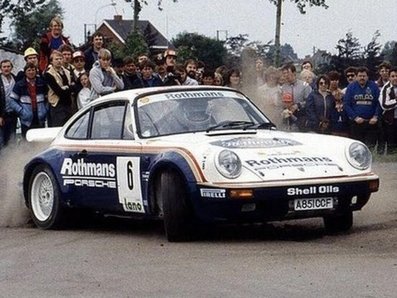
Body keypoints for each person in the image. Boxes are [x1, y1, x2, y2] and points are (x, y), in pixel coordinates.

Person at [344, 66, 381, 150]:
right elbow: (346, 104)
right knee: (357, 147)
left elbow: (379, 103)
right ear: (356, 77)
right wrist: (355, 117)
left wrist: (375, 116)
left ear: (367, 77)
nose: (362, 78)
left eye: (364, 76)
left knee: (369, 146)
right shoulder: (351, 87)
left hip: (371, 122)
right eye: (360, 76)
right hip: (356, 123)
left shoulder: (374, 86)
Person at [9, 63, 48, 139]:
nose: (31, 72)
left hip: (40, 117)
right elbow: (12, 101)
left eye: (33, 70)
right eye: (29, 70)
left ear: (36, 71)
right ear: (25, 72)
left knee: (40, 140)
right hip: (26, 119)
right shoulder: (19, 84)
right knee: (27, 141)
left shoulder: (42, 83)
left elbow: (48, 98)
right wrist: (21, 111)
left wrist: (45, 109)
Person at [44, 50, 73, 127]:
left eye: (60, 59)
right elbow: (58, 91)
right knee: (58, 127)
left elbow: (73, 87)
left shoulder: (67, 72)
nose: (59, 61)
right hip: (57, 105)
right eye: (56, 59)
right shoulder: (49, 74)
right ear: (51, 61)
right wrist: (68, 88)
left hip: (68, 104)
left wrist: (66, 88)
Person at [280, 63, 312, 131]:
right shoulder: (283, 87)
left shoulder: (304, 86)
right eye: (284, 73)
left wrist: (298, 105)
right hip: (287, 119)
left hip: (300, 118)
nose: (286, 75)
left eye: (288, 73)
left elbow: (310, 102)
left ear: (294, 73)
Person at [378, 66, 397, 154]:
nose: (395, 78)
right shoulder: (386, 88)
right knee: (391, 144)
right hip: (390, 120)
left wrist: (393, 102)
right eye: (393, 76)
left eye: (396, 76)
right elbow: (385, 105)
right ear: (389, 77)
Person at [0, 59, 17, 149]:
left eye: (8, 66)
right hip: (2, 114)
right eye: (4, 67)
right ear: (1, 68)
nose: (6, 69)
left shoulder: (15, 78)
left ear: (11, 68)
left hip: (13, 114)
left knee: (11, 140)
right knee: (1, 141)